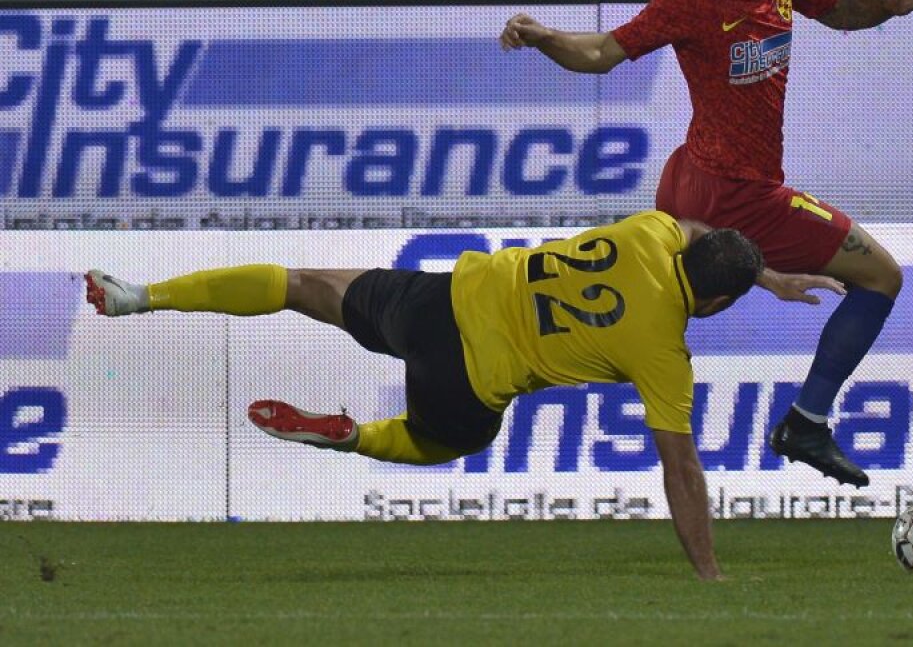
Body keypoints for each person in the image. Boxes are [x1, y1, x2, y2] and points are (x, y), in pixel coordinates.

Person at [85, 210, 843, 581]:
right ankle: (351, 437)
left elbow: (692, 224)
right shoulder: (664, 354)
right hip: (466, 378)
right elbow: (680, 469)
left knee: (302, 285)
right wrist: (707, 569)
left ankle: (141, 294)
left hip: (439, 296)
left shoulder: (651, 231)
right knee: (443, 440)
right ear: (715, 302)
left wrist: (763, 273)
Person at [500, 0, 913, 487]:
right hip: (737, 195)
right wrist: (545, 37)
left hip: (698, 181)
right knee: (881, 277)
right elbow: (603, 53)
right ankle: (807, 423)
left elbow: (843, 10)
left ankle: (525, 361)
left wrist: (902, 4)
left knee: (663, 317)